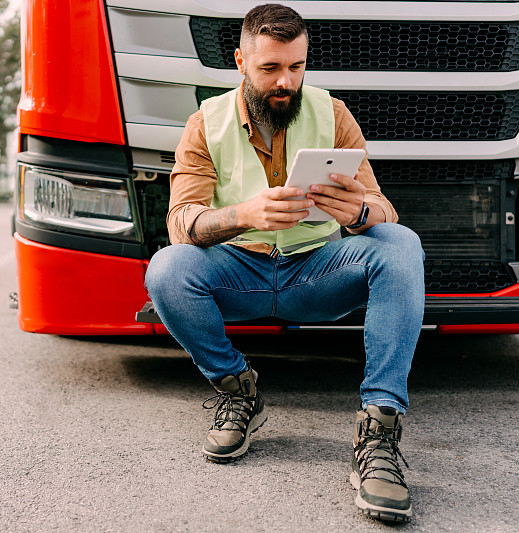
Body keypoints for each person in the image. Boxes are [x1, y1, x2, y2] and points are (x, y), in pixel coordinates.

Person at [144, 3, 424, 523]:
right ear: (240, 62)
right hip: (239, 271)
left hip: (318, 271)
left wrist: (360, 213)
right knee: (166, 268)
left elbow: (383, 207)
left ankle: (379, 432)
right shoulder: (204, 123)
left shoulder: (333, 113)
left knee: (400, 243)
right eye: (270, 68)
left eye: (297, 67)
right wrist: (243, 215)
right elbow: (181, 222)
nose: (286, 82)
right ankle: (239, 390)